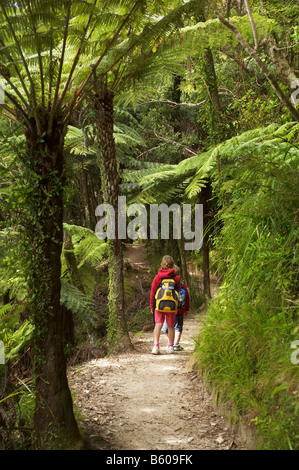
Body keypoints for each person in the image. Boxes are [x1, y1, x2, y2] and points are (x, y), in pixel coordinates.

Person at [150, 255, 180, 355]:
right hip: (171, 306)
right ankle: (171, 346)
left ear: (162, 264)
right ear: (172, 265)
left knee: (158, 324)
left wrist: (151, 306)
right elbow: (178, 291)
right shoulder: (176, 278)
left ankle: (156, 346)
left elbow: (153, 293)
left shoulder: (157, 277)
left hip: (159, 305)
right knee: (171, 326)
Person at [161, 266, 190, 351]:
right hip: (180, 310)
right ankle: (176, 343)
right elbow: (187, 297)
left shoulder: (167, 285)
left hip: (170, 310)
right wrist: (186, 309)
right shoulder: (183, 285)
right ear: (179, 275)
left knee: (166, 328)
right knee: (178, 327)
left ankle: (172, 342)